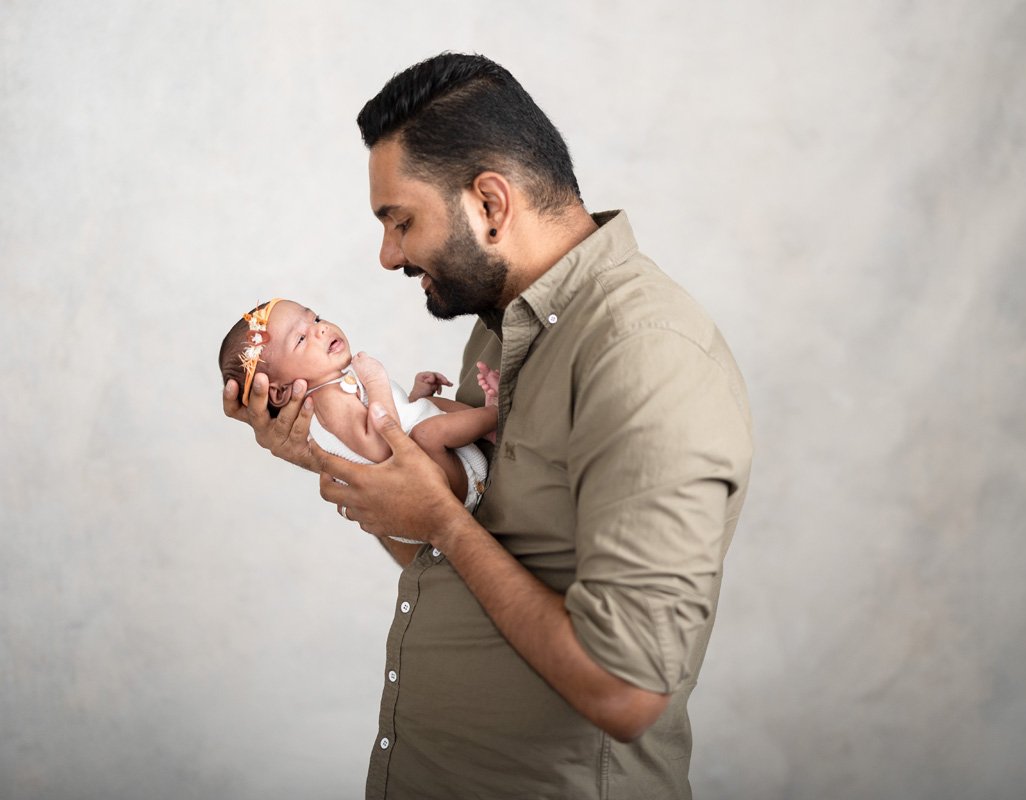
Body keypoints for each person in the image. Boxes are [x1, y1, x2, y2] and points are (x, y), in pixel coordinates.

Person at [222, 53, 753, 799]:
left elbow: (626, 692)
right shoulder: (503, 330)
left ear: (490, 206)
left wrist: (440, 521)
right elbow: (454, 560)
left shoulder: (645, 355)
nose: (387, 256)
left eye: (400, 221)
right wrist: (323, 451)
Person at [218, 298, 498, 556]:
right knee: (428, 432)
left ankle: (487, 423)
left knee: (429, 412)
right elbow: (381, 443)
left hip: (442, 471)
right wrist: (376, 380)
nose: (322, 330)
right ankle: (496, 416)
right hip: (448, 491)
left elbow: (398, 417)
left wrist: (415, 395)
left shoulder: (341, 382)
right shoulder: (328, 400)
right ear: (280, 392)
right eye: (301, 339)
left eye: (316, 319)